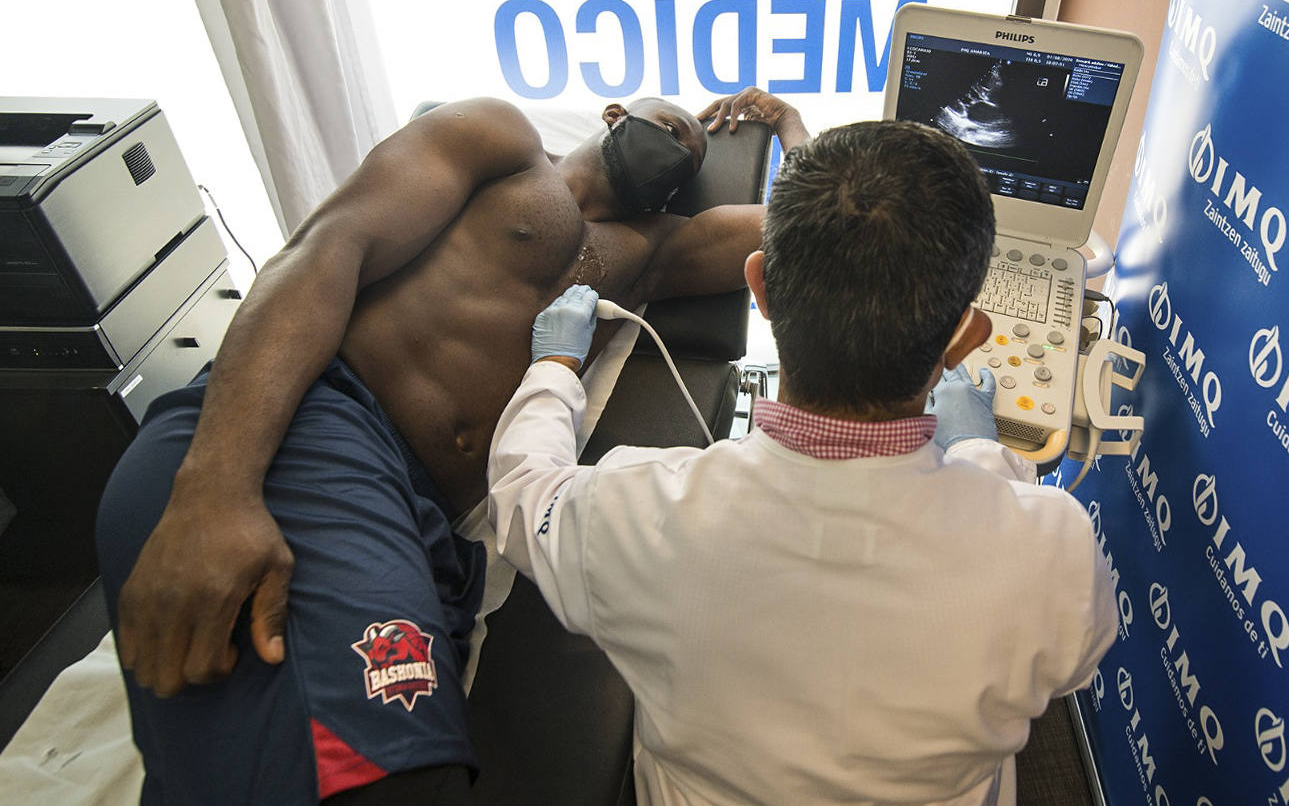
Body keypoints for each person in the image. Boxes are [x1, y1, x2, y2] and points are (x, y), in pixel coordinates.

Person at [95, 88, 809, 802]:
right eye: (672, 127)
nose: (680, 151)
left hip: (422, 521)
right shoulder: (498, 139)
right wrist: (217, 487)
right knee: (397, 774)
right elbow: (327, 247)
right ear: (616, 115)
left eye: (691, 160)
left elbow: (825, 226)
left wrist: (787, 123)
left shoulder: (654, 249)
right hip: (319, 428)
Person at [488, 120, 1118, 805]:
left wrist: (555, 366)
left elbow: (520, 493)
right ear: (965, 339)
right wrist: (982, 454)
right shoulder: (1053, 549)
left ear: (759, 287)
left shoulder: (634, 513)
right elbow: (1069, 670)